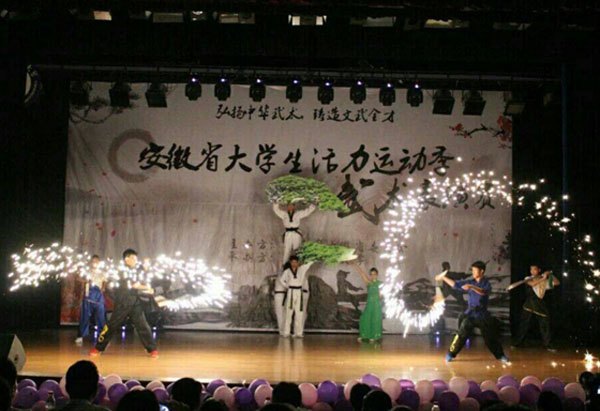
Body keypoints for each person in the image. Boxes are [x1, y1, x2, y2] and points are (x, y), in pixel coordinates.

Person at [436, 260, 509, 363]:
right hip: (470, 314)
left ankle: (500, 356)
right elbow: (456, 285)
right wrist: (443, 277)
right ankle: (451, 354)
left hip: (482, 315)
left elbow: (483, 292)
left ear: (482, 271)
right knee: (461, 334)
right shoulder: (470, 282)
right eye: (473, 270)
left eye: (475, 270)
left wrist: (472, 287)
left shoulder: (486, 283)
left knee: (490, 337)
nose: (473, 272)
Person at [90, 249, 158, 358]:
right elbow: (134, 285)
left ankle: (152, 349)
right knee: (111, 325)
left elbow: (141, 280)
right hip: (123, 302)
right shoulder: (121, 271)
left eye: (136, 259)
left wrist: (146, 271)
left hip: (135, 302)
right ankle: (98, 348)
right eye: (133, 258)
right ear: (126, 259)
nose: (136, 261)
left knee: (143, 325)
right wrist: (147, 288)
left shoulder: (135, 270)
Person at [512, 264, 560, 352]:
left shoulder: (545, 281)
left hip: (539, 303)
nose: (532, 271)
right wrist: (543, 278)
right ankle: (517, 343)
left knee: (545, 324)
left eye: (534, 269)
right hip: (529, 303)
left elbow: (557, 283)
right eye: (531, 270)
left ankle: (548, 345)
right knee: (524, 324)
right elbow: (533, 284)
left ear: (539, 270)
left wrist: (550, 274)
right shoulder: (528, 278)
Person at [75, 255, 107, 345]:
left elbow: (105, 282)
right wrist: (85, 281)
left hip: (98, 296)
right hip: (88, 296)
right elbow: (79, 279)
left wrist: (103, 288)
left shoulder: (102, 272)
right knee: (85, 316)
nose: (95, 263)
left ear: (99, 262)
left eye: (97, 261)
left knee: (101, 317)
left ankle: (102, 336)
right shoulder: (87, 272)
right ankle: (80, 336)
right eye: (93, 261)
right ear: (91, 262)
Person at [280, 256, 314, 338]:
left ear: (298, 263)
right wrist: (287, 286)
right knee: (289, 312)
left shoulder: (301, 269)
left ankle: (298, 333)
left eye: (295, 262)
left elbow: (309, 264)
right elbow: (281, 280)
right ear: (290, 263)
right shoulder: (287, 271)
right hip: (291, 291)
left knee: (299, 312)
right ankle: (286, 332)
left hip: (299, 291)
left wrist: (315, 257)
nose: (294, 264)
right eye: (293, 262)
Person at [351, 262, 382, 342]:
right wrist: (355, 264)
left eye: (374, 274)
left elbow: (381, 295)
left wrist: (380, 295)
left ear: (377, 274)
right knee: (364, 318)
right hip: (369, 304)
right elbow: (362, 273)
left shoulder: (380, 284)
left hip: (376, 304)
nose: (373, 276)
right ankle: (364, 335)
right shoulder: (369, 283)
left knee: (375, 319)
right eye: (371, 274)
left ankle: (374, 336)